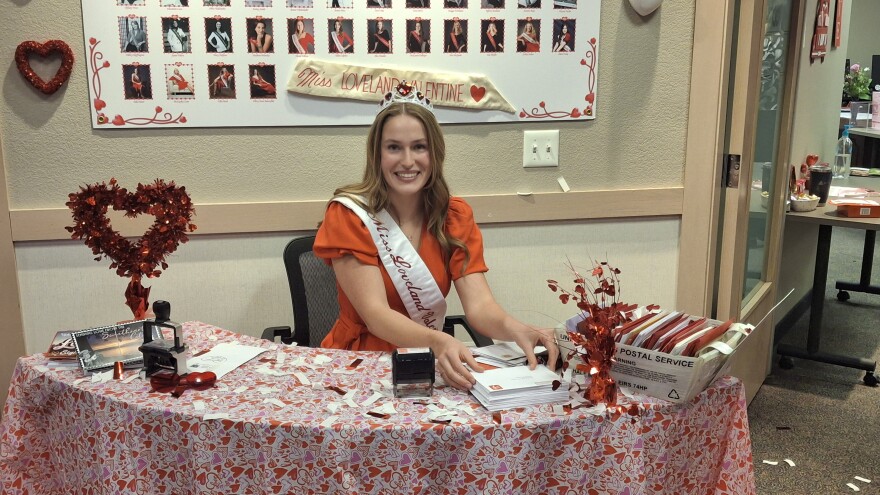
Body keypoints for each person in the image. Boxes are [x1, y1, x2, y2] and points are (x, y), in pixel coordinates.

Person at [313, 81, 559, 391]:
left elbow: (480, 307)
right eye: (393, 147)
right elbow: (376, 315)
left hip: (429, 359)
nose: (407, 161)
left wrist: (517, 328)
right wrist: (439, 341)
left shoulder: (453, 216)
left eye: (419, 146)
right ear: (377, 154)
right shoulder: (351, 215)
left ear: (434, 151)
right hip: (362, 364)